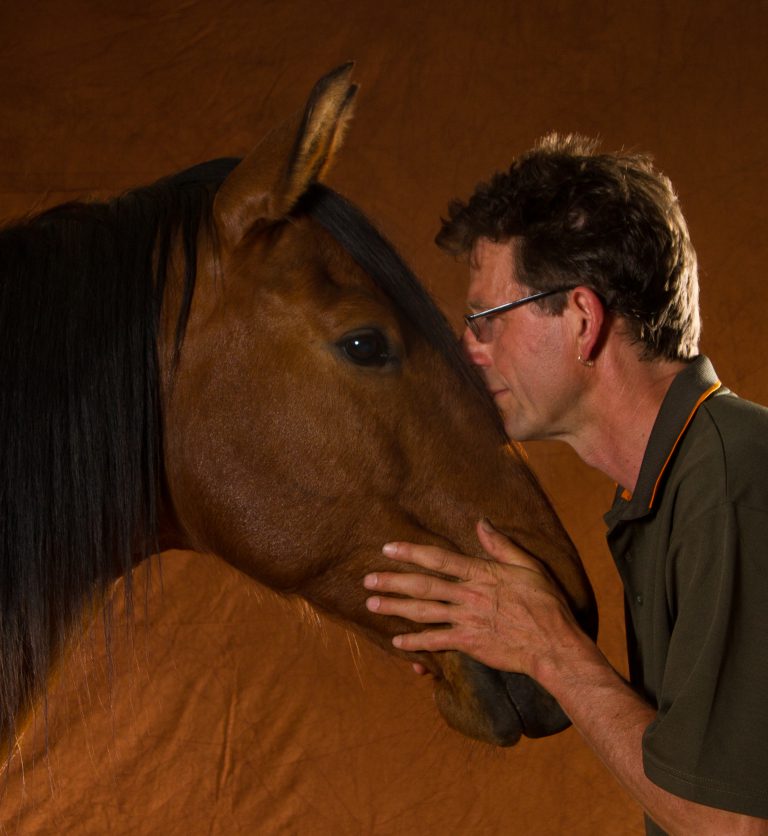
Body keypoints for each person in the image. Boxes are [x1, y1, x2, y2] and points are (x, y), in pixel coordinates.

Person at [362, 134, 768, 835]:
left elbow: (726, 825)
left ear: (582, 318)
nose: (469, 349)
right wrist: (496, 654)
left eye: (486, 319)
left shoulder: (731, 484)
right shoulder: (674, 486)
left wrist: (548, 646)